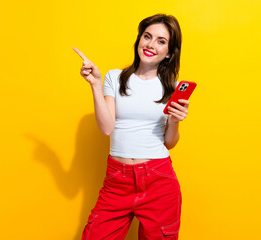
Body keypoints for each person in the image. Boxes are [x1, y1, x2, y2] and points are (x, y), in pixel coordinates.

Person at [73, 13, 190, 240]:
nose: (151, 44)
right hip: (117, 180)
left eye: (161, 41)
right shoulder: (115, 78)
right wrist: (95, 85)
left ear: (169, 53)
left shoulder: (173, 88)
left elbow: (170, 142)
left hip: (159, 181)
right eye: (147, 36)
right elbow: (107, 128)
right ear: (139, 40)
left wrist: (175, 122)